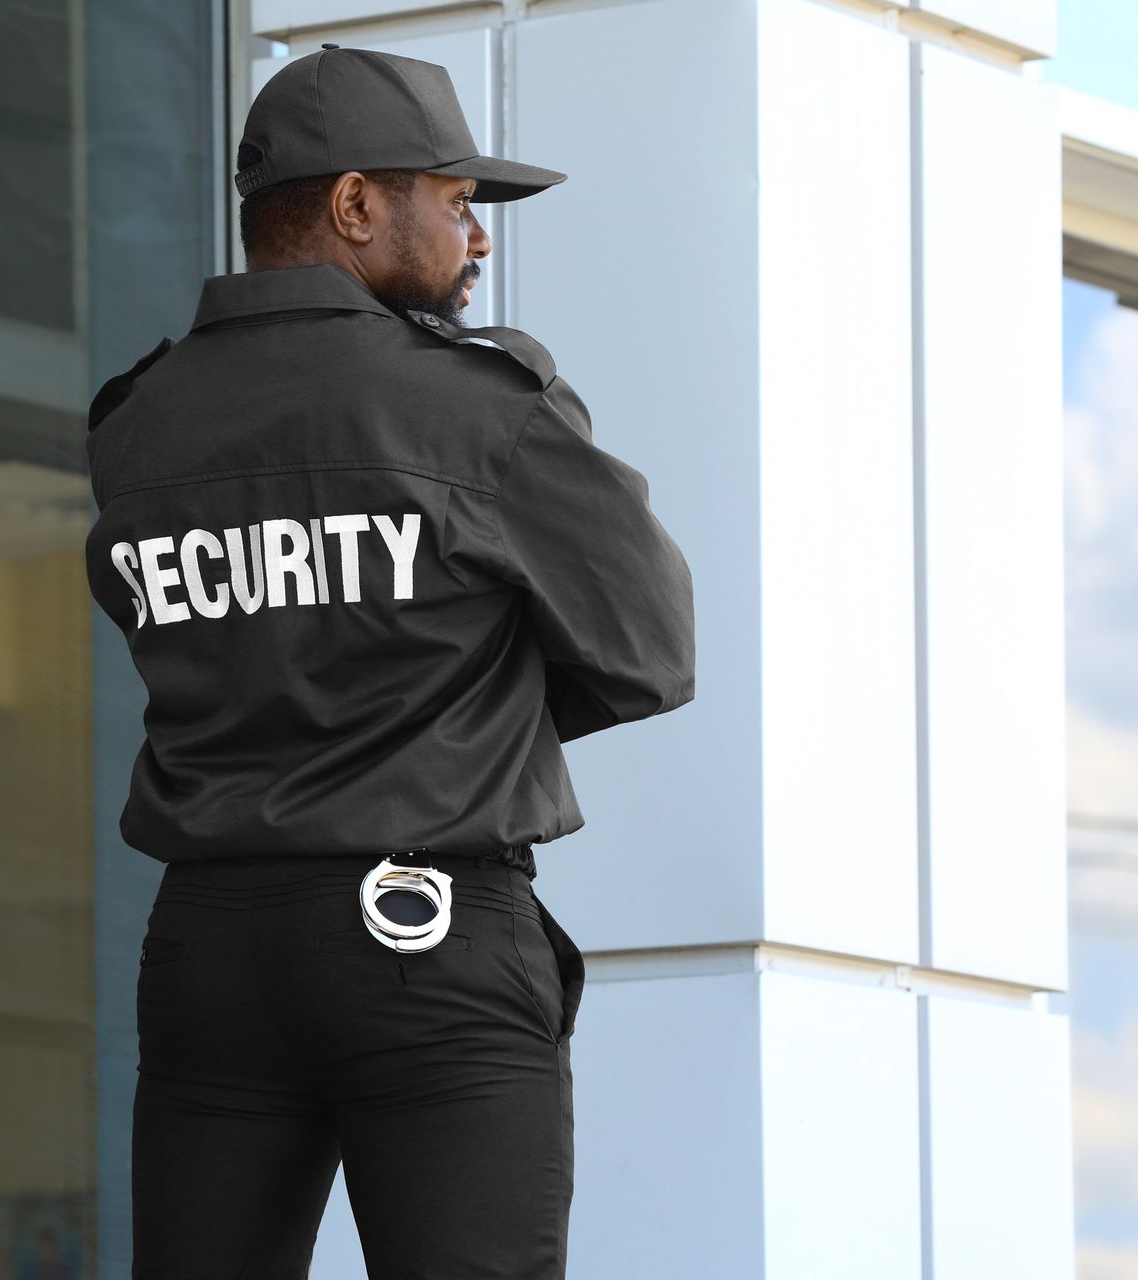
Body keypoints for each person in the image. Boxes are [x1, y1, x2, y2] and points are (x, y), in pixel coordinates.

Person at [83, 43, 696, 1280]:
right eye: (456, 200)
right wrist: (451, 709)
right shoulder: (477, 405)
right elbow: (650, 647)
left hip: (209, 948)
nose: (477, 237)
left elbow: (199, 634)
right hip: (420, 933)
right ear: (357, 204)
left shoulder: (135, 423)